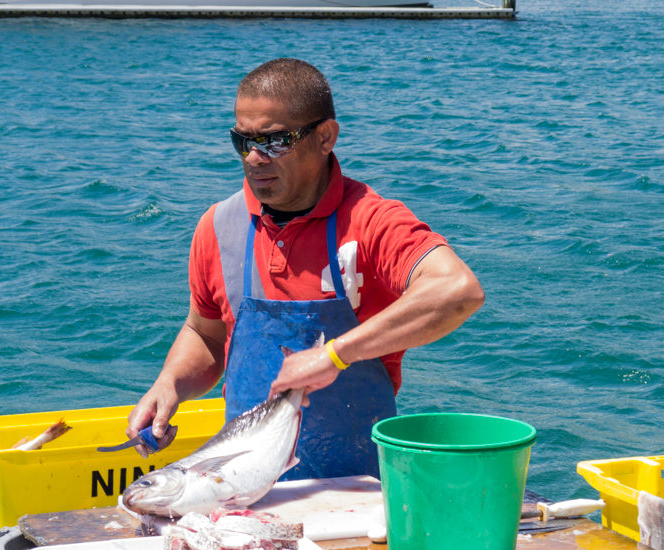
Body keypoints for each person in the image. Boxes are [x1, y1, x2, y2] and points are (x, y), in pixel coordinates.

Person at [126, 58, 485, 479]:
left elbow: (458, 291)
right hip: (243, 487)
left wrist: (334, 355)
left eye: (276, 140)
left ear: (325, 137)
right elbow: (206, 335)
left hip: (357, 487)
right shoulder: (218, 226)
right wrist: (170, 384)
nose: (255, 158)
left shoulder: (372, 221)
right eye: (243, 141)